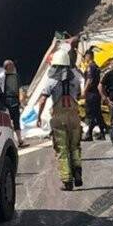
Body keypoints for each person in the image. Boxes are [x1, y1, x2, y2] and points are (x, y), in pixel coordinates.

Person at [36, 49, 83, 191]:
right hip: (74, 117)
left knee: (62, 149)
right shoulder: (75, 78)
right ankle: (78, 172)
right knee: (75, 147)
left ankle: (67, 180)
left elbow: (43, 99)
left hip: (59, 120)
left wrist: (38, 116)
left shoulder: (51, 81)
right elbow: (79, 96)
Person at [0, 60, 25, 147]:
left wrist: (20, 100)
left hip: (14, 102)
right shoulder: (0, 78)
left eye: (13, 65)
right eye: (11, 65)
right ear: (6, 67)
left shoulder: (14, 76)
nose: (13, 67)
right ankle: (11, 140)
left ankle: (19, 139)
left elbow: (18, 89)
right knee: (7, 121)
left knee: (16, 120)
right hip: (5, 102)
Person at [81, 50, 107, 141]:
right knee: (97, 113)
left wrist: (84, 91)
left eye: (85, 57)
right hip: (96, 93)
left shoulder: (90, 67)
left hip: (91, 93)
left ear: (89, 56)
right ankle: (103, 133)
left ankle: (89, 134)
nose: (85, 59)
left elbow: (90, 80)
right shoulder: (96, 66)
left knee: (91, 113)